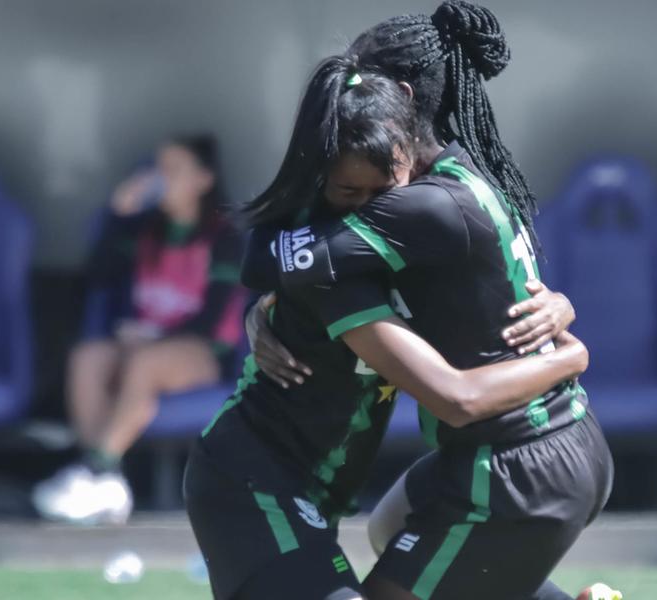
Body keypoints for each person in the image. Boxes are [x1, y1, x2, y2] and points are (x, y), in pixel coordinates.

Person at [246, 3, 619, 599]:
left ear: (400, 98)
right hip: (537, 446)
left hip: (517, 462)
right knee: (392, 524)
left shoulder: (421, 207)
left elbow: (270, 256)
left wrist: (570, 357)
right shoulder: (463, 177)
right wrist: (262, 309)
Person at [34, 135, 245, 525]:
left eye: (174, 170)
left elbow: (213, 319)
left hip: (200, 353)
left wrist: (154, 338)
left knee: (146, 362)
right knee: (89, 356)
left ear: (203, 179)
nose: (162, 180)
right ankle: (106, 480)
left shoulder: (224, 236)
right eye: (158, 170)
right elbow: (96, 276)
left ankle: (96, 471)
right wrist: (117, 216)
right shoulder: (144, 230)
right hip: (141, 342)